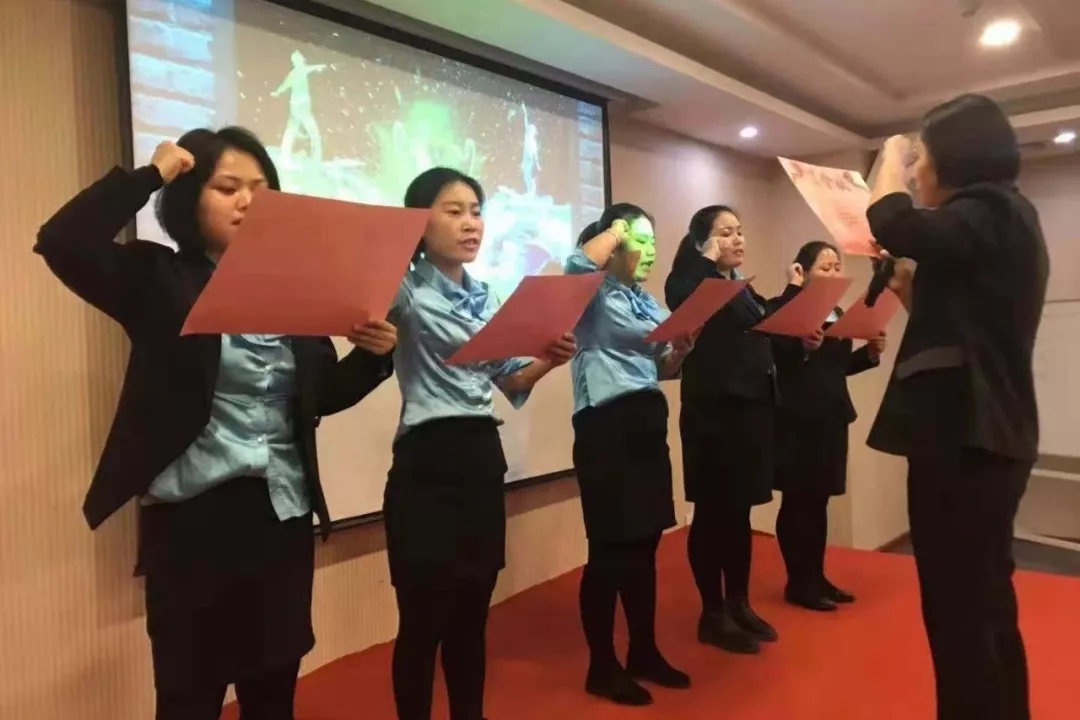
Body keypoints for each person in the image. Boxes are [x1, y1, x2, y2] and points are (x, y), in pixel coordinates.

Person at [33, 128, 397, 720]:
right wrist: (150, 175)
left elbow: (320, 396)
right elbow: (62, 242)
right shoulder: (159, 279)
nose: (249, 202)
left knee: (273, 695)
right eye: (228, 188)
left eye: (262, 189)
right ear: (190, 200)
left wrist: (374, 355)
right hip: (193, 525)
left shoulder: (297, 292)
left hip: (280, 520)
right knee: (189, 697)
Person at [865, 93, 1048, 720]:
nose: (916, 172)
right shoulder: (999, 222)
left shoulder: (990, 210)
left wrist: (889, 155)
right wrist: (910, 290)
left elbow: (893, 220)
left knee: (961, 615)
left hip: (967, 440)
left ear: (953, 160)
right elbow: (967, 329)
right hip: (981, 437)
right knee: (981, 607)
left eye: (922, 159)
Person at [374, 167, 576, 720]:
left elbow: (510, 380)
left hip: (481, 458)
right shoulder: (403, 289)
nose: (471, 224)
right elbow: (356, 301)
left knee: (471, 617)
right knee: (422, 623)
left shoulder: (486, 299)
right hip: (426, 463)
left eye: (476, 211)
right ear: (420, 222)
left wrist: (549, 359)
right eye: (453, 211)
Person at [566, 206, 693, 706]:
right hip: (606, 427)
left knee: (644, 547)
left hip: (646, 425)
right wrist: (617, 227)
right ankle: (601, 665)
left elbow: (661, 368)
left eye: (653, 240)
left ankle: (644, 649)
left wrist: (680, 350)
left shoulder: (646, 300)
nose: (651, 251)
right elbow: (576, 264)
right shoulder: (590, 292)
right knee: (610, 551)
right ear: (614, 243)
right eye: (641, 240)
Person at [664, 205, 777, 655]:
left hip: (748, 413)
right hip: (712, 416)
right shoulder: (688, 280)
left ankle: (739, 602)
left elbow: (759, 325)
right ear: (701, 243)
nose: (737, 239)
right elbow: (683, 301)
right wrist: (706, 261)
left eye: (739, 231)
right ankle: (712, 614)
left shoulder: (740, 286)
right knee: (713, 514)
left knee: (739, 514)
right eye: (725, 233)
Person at [768, 241, 885, 611]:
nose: (834, 273)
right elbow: (779, 357)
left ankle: (816, 577)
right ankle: (798, 582)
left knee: (819, 502)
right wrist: (803, 345)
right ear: (802, 272)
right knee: (798, 501)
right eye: (825, 267)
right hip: (797, 419)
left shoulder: (836, 313)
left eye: (837, 267)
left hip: (831, 416)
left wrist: (869, 355)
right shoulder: (784, 308)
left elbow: (836, 367)